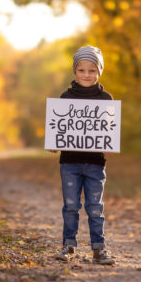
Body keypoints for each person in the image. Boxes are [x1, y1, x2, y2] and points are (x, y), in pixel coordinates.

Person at [49, 45, 115, 265]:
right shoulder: (66, 97)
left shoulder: (106, 99)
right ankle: (68, 245)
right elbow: (60, 126)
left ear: (99, 72)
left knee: (95, 207)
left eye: (92, 71)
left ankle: (99, 248)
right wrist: (54, 140)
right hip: (70, 163)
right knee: (70, 206)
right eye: (81, 70)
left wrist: (109, 142)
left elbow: (109, 129)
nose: (86, 75)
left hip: (96, 163)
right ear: (75, 72)